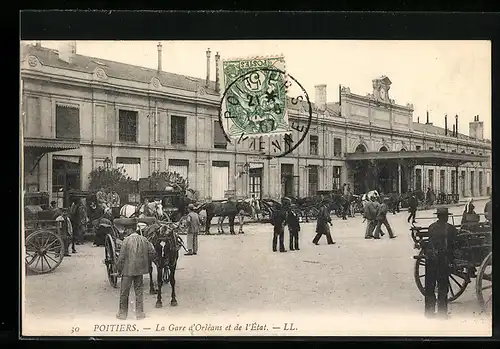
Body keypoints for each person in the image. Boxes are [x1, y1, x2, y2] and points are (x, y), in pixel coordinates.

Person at [116, 219, 156, 320]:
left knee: (124, 292)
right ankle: (139, 314)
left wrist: (118, 269)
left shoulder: (126, 241)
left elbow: (121, 258)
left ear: (130, 230)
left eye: (126, 229)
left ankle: (122, 314)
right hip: (140, 270)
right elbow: (152, 253)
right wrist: (146, 263)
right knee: (139, 291)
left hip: (127, 271)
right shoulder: (144, 239)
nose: (125, 231)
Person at [424, 207, 458, 319]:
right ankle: (442, 314)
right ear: (446, 216)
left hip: (430, 260)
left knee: (430, 286)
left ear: (438, 216)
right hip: (443, 261)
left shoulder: (431, 227)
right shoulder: (451, 229)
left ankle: (429, 313)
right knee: (443, 286)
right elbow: (455, 245)